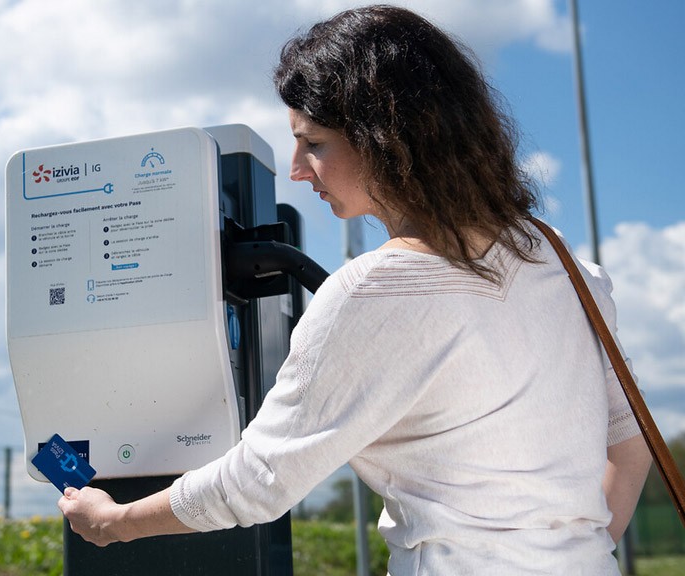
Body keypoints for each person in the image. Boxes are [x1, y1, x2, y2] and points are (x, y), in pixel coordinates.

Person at [59, 5, 652, 574]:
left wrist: (115, 521)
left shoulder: (374, 292)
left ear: (389, 137)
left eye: (314, 142)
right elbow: (631, 445)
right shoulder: (567, 266)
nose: (297, 169)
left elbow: (259, 480)